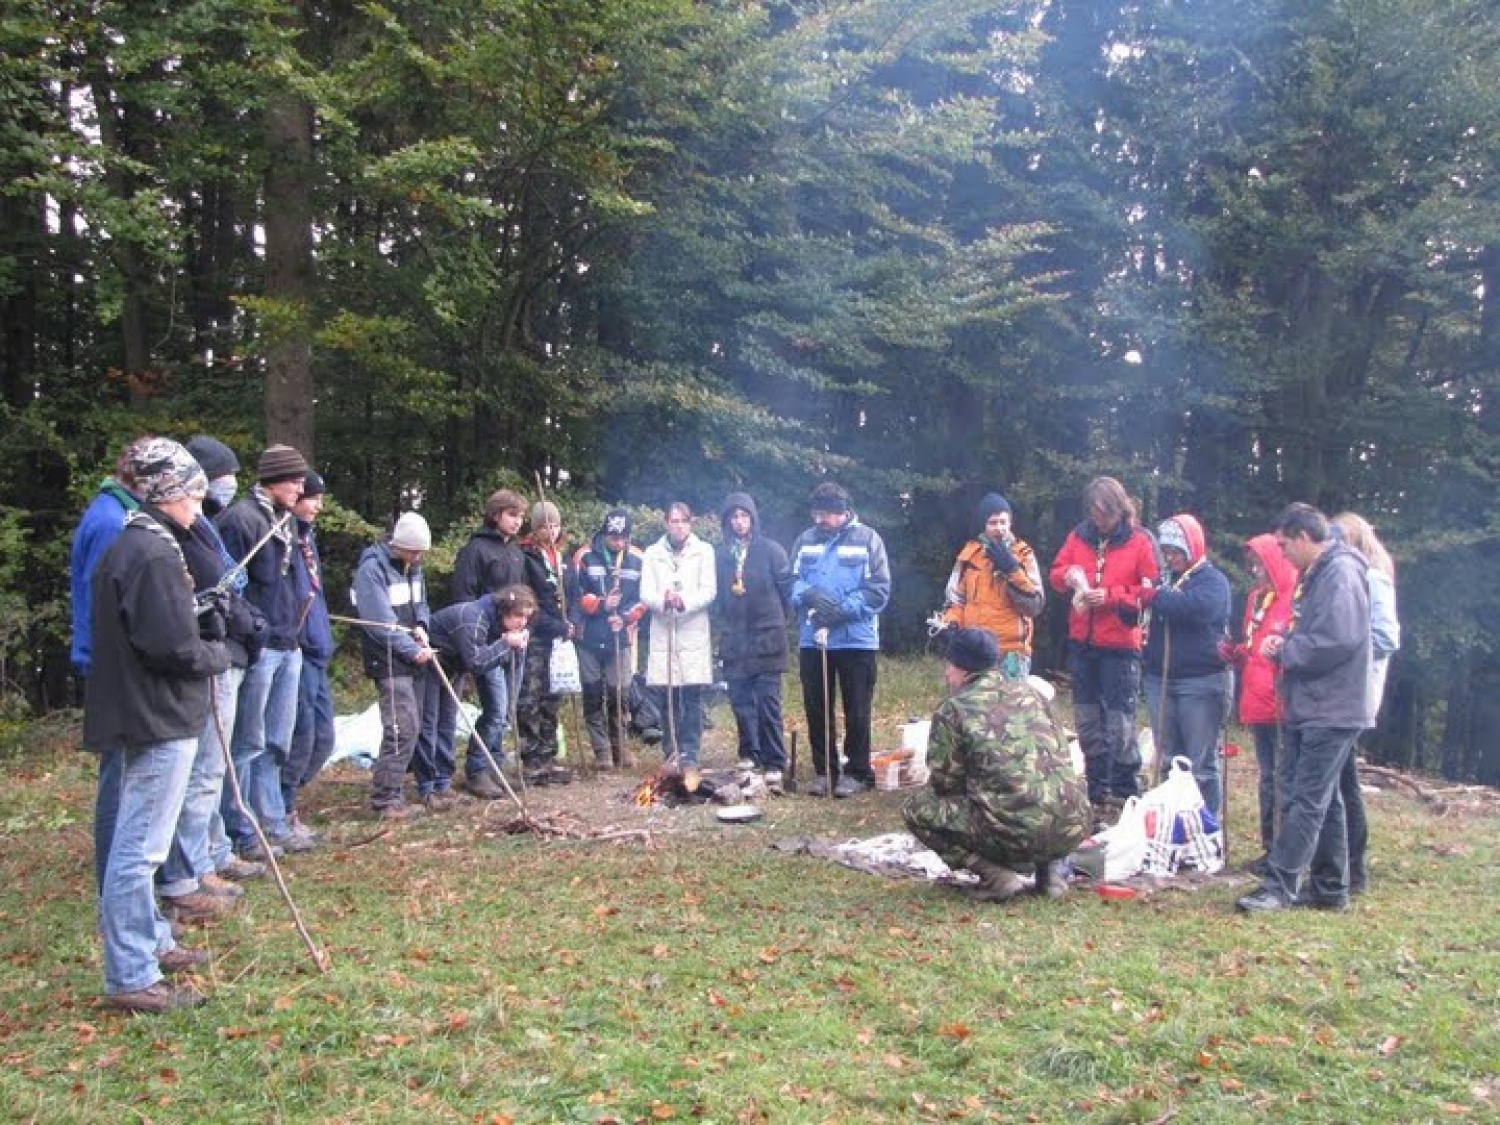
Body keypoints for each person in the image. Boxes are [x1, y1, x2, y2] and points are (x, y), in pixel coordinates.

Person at [87, 438, 231, 1013]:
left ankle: (150, 943)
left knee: (140, 843)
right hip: (156, 714)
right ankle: (131, 975)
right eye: (193, 491)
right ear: (168, 492)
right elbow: (171, 647)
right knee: (139, 849)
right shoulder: (148, 552)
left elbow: (160, 627)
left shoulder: (144, 544)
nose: (200, 502)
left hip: (149, 708)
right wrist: (218, 651)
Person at [155, 437, 269, 925]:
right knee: (203, 770)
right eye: (218, 476)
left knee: (215, 766)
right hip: (211, 656)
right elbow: (210, 592)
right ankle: (191, 869)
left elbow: (230, 584)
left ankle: (212, 852)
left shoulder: (201, 526)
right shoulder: (173, 533)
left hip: (228, 648)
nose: (226, 483)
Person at [1237, 503, 1370, 913]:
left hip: (1330, 706)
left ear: (1304, 537)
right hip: (1319, 703)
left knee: (1305, 797)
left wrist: (1288, 650)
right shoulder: (1320, 574)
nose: (1281, 553)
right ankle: (1331, 888)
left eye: (1284, 544)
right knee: (1325, 799)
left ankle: (1279, 886)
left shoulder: (1341, 574)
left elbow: (1338, 639)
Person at [903, 628, 1091, 902]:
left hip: (1013, 832)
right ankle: (1049, 876)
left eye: (949, 665)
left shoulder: (954, 709)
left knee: (918, 808)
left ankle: (997, 877)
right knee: (1046, 798)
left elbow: (945, 783)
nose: (946, 673)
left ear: (962, 667)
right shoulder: (1033, 695)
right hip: (1072, 824)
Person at [216, 445, 317, 860]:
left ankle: (273, 820)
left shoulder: (286, 521)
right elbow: (227, 587)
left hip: (288, 644)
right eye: (294, 480)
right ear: (273, 480)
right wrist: (254, 633)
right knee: (247, 741)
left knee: (276, 740)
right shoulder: (242, 520)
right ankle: (240, 828)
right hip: (259, 648)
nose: (300, 488)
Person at [1048, 476, 1159, 815]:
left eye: (1105, 515)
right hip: (1083, 641)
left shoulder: (1140, 542)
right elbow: (1055, 572)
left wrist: (1110, 597)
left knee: (1120, 720)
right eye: (1095, 514)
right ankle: (1097, 787)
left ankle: (1126, 787)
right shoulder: (1079, 536)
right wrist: (1069, 577)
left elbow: (1150, 590)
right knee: (1086, 717)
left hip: (1121, 644)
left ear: (1119, 510)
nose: (1100, 521)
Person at [789, 482, 891, 797]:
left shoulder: (869, 539)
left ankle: (858, 772)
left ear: (844, 512)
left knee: (857, 708)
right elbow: (790, 580)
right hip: (813, 639)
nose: (819, 519)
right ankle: (825, 770)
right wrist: (808, 594)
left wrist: (842, 610)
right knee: (817, 707)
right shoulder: (805, 540)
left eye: (825, 514)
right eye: (815, 513)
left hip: (856, 640)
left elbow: (879, 590)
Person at [1139, 514, 1232, 816]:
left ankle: (1206, 828)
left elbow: (1196, 608)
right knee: (1167, 758)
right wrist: (1135, 602)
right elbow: (1143, 608)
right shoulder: (1162, 581)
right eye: (1166, 551)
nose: (1170, 557)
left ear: (1192, 548)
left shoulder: (1212, 581)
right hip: (1160, 678)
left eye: (1176, 551)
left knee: (1200, 762)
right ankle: (1172, 821)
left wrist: (1155, 597)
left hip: (1201, 681)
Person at [1218, 533, 1298, 871]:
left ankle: (1286, 851)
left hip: (1281, 703)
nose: (1255, 570)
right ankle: (1270, 848)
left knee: (1284, 779)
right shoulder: (1255, 600)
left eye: (1260, 564)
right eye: (1252, 564)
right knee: (1267, 777)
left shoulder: (1293, 599)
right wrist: (1237, 654)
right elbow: (1255, 650)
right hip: (1257, 700)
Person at [1331, 511, 1400, 895]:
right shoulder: (1349, 577)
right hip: (1342, 691)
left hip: (1355, 691)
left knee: (1343, 784)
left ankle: (1352, 868)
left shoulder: (1373, 579)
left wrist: (1346, 651)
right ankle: (1347, 867)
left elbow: (1386, 637)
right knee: (1344, 780)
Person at [352, 512, 437, 819]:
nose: (417, 558)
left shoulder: (413, 567)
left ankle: (397, 791)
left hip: (412, 654)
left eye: (421, 553)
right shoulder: (372, 570)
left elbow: (420, 604)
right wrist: (410, 649)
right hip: (388, 659)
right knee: (402, 727)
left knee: (414, 726)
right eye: (413, 551)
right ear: (398, 545)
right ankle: (385, 798)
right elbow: (379, 622)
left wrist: (422, 627)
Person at [427, 584, 537, 804]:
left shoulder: (507, 624)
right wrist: (506, 644)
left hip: (468, 660)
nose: (522, 622)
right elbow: (476, 662)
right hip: (437, 664)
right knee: (490, 712)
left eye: (526, 617)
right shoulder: (473, 618)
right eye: (517, 616)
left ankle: (492, 766)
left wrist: (513, 645)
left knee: (504, 711)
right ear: (503, 610)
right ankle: (472, 771)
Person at [452, 490, 529, 797]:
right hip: (487, 643)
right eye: (512, 515)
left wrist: (524, 629)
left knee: (507, 708)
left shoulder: (516, 552)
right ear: (496, 514)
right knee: (495, 709)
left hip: (516, 641)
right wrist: (477, 641)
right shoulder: (475, 550)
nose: (517, 521)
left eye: (521, 516)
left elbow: (522, 597)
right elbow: (463, 599)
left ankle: (495, 767)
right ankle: (476, 769)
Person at [715, 492, 793, 789]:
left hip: (768, 637)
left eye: (744, 516)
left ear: (753, 518)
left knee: (767, 703)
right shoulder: (722, 555)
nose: (739, 522)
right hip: (736, 638)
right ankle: (750, 753)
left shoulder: (771, 550)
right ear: (727, 522)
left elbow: (787, 592)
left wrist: (779, 623)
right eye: (733, 517)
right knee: (740, 701)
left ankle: (774, 761)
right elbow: (720, 599)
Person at [640, 502, 717, 788]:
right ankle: (671, 751)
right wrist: (663, 599)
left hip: (692, 628)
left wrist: (684, 601)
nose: (679, 526)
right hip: (664, 628)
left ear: (691, 523)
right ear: (665, 523)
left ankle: (691, 753)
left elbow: (709, 590)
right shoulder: (652, 553)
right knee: (667, 695)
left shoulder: (704, 550)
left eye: (684, 521)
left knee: (692, 696)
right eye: (674, 521)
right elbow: (645, 592)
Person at [570, 509, 647, 770]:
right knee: (593, 694)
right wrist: (602, 605)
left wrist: (624, 617)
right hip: (589, 637)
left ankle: (621, 747)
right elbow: (575, 595)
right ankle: (601, 751)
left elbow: (643, 599)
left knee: (619, 694)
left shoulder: (637, 559)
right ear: (604, 533)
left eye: (623, 537)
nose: (618, 542)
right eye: (613, 536)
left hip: (620, 637)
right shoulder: (585, 555)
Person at [940, 492, 1044, 679]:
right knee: (973, 705)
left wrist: (1012, 569)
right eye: (993, 522)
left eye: (1003, 522)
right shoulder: (969, 555)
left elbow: (1034, 605)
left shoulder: (1023, 554)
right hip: (974, 651)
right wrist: (951, 623)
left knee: (1010, 708)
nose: (999, 528)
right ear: (983, 525)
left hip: (1012, 652)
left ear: (1010, 523)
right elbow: (955, 599)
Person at [284, 471, 336, 831]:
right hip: (297, 651)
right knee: (298, 734)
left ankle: (289, 795)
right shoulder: (284, 539)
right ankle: (282, 806)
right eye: (312, 498)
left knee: (324, 735)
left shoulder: (307, 540)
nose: (318, 505)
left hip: (317, 652)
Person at [516, 501, 575, 786]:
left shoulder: (561, 557)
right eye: (544, 526)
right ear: (535, 527)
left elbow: (573, 593)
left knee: (553, 698)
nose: (550, 531)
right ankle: (531, 759)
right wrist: (557, 625)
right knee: (531, 698)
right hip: (537, 637)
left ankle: (549, 757)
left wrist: (573, 622)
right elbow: (530, 603)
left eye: (554, 525)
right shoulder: (526, 558)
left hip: (560, 640)